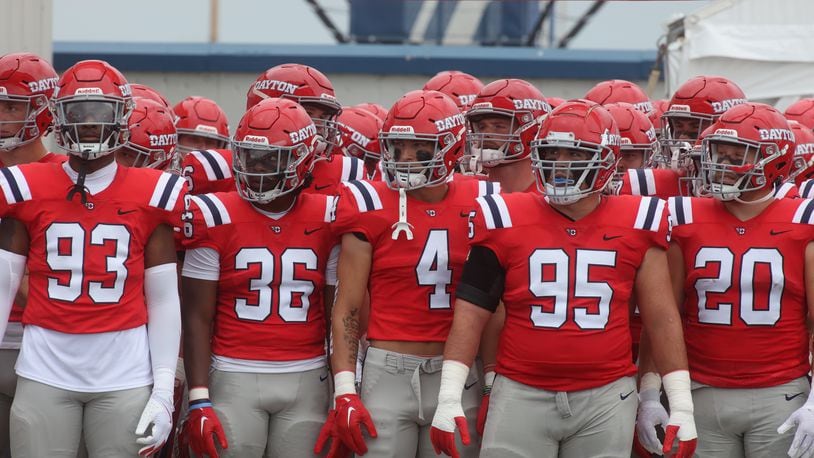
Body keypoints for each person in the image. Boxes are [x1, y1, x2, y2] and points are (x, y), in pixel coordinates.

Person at [429, 100, 697, 458]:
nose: (560, 165)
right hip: (521, 388)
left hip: (605, 393)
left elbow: (661, 318)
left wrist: (679, 403)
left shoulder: (639, 218)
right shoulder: (503, 214)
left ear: (606, 161)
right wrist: (449, 397)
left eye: (573, 154)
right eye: (551, 153)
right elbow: (471, 313)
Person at [0, 59, 185, 456]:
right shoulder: (23, 185)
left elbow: (165, 300)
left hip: (125, 374)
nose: (89, 124)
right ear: (59, 116)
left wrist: (164, 390)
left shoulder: (154, 193)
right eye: (78, 113)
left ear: (122, 118)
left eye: (101, 113)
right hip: (42, 370)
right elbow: (2, 289)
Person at [326, 90, 497, 458]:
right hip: (388, 369)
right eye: (397, 147)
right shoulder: (367, 201)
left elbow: (496, 305)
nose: (404, 159)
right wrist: (345, 391)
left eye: (419, 149)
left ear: (450, 148)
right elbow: (347, 307)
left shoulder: (486, 199)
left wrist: (491, 382)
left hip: (459, 370)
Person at [649, 103, 814, 457]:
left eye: (735, 155)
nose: (719, 166)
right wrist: (654, 392)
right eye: (717, 153)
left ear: (774, 160)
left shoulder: (804, 218)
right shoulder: (683, 214)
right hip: (701, 389)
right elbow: (663, 316)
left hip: (780, 391)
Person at [179, 97, 337, 457]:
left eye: (271, 159)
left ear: (302, 159)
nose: (257, 168)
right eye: (249, 156)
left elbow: (337, 313)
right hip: (234, 371)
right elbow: (197, 315)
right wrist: (199, 396)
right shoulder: (214, 213)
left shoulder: (330, 214)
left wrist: (344, 387)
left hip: (308, 372)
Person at [0, 50, 62, 458]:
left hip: (42, 345)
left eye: (9, 105)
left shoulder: (67, 176)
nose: (0, 114)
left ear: (41, 112)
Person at [247, 63, 364, 195]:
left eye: (324, 117)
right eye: (308, 113)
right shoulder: (228, 167)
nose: (319, 127)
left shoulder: (347, 171)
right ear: (267, 111)